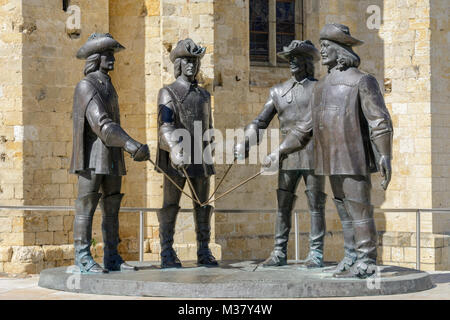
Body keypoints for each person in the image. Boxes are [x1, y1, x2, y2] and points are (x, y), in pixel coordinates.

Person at [263, 24, 393, 278]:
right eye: (321, 47)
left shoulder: (362, 80)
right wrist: (279, 151)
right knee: (343, 209)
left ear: (340, 50)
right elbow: (303, 129)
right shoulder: (321, 87)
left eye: (326, 47)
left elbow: (379, 120)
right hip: (330, 160)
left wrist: (385, 153)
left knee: (359, 208)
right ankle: (350, 255)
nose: (321, 52)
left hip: (352, 158)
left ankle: (366, 260)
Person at [234, 40, 327, 268]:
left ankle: (316, 253)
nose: (293, 62)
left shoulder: (320, 89)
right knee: (283, 205)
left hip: (314, 155)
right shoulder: (277, 91)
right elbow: (260, 121)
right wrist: (246, 142)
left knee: (316, 205)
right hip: (286, 158)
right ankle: (279, 252)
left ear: (307, 61)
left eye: (297, 57)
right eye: (290, 58)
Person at [70, 33, 150, 273]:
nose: (112, 58)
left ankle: (112, 256)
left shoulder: (108, 85)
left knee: (112, 206)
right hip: (92, 158)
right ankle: (83, 257)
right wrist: (130, 143)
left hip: (111, 157)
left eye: (112, 53)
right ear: (96, 58)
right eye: (107, 54)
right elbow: (101, 125)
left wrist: (125, 145)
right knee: (86, 206)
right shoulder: (87, 85)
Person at [156, 39, 217, 268]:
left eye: (195, 60)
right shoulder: (168, 92)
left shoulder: (204, 96)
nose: (191, 65)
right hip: (177, 160)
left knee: (202, 204)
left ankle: (204, 249)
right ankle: (167, 251)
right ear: (178, 64)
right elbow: (165, 125)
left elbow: (208, 127)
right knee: (170, 204)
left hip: (201, 157)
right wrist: (175, 149)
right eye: (187, 61)